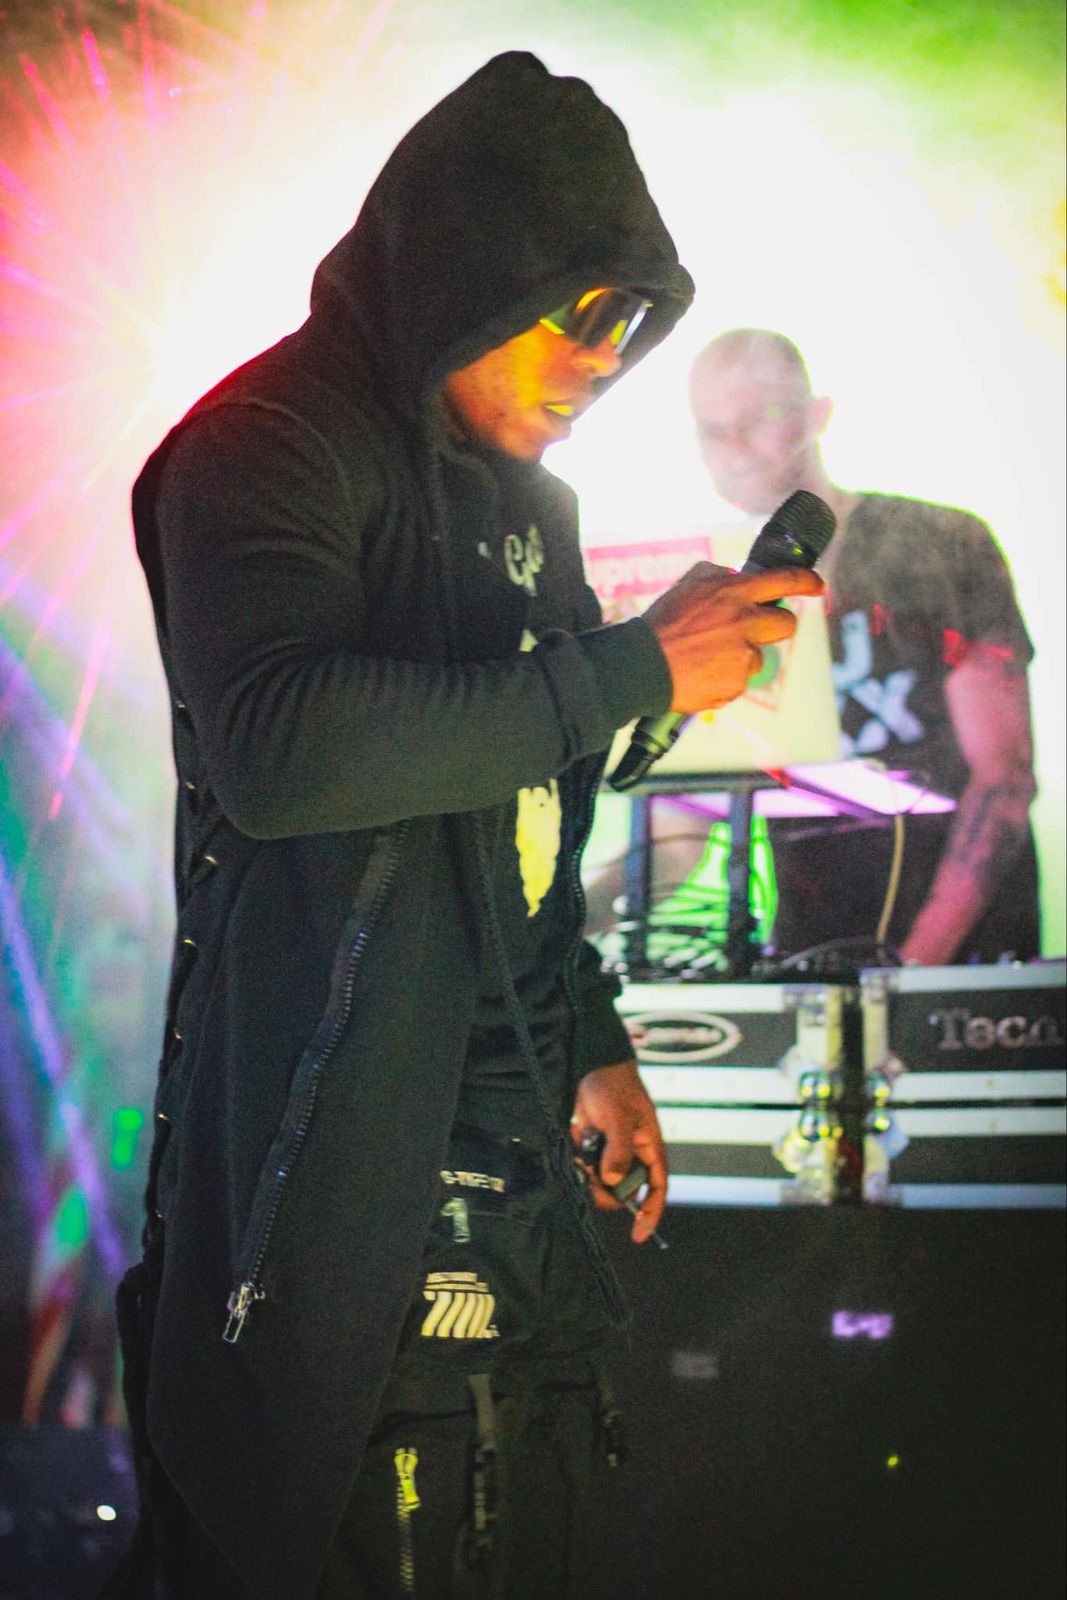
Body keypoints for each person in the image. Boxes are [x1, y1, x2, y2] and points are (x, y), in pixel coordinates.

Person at [107, 56, 821, 1600]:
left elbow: (516, 828)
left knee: (520, 1505)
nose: (604, 361)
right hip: (325, 1181)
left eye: (632, 327)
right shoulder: (264, 440)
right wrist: (630, 668)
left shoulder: (532, 511)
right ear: (468, 269)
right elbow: (281, 751)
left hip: (512, 1161)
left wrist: (588, 1037)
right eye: (581, 312)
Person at [687, 327, 1039, 967]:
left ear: (817, 415)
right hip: (808, 960)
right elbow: (686, 817)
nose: (735, 448)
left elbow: (1004, 777)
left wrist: (909, 971)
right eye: (713, 431)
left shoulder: (941, 542)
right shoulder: (724, 592)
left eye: (758, 418)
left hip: (965, 963)